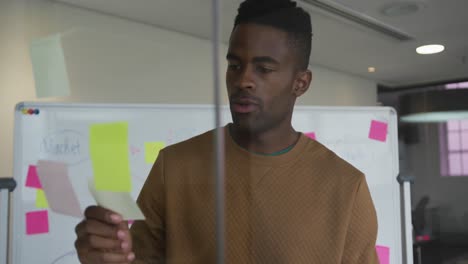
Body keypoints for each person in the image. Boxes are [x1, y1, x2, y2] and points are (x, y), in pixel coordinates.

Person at [74, 0, 378, 263]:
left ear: (301, 83)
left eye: (264, 68)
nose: (243, 80)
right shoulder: (174, 166)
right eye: (235, 65)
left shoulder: (345, 187)